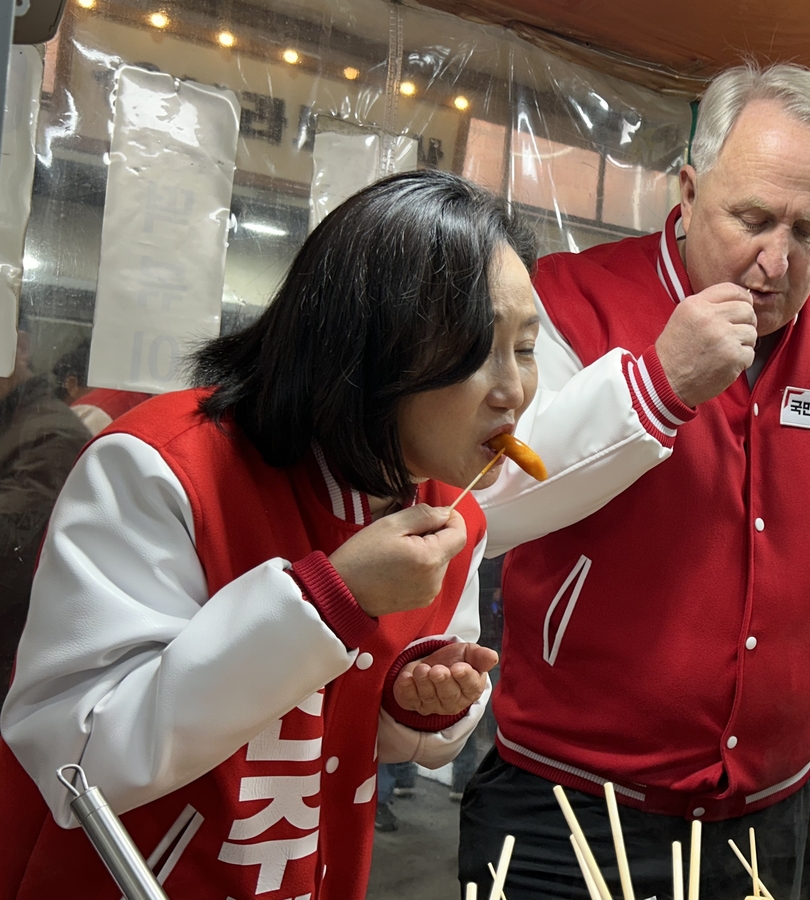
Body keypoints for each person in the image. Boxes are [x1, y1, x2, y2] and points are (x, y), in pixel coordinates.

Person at [0, 170, 539, 900]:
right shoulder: (166, 468)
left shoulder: (455, 514)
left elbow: (374, 735)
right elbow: (77, 756)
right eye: (478, 349)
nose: (511, 389)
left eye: (526, 347)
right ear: (369, 344)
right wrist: (329, 600)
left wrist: (420, 705)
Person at [460, 63, 810, 900]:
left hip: (772, 811)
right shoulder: (567, 302)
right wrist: (656, 386)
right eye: (751, 218)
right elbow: (486, 502)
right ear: (686, 187)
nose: (776, 261)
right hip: (565, 801)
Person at [0, 328, 91, 705]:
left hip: (14, 672)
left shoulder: (49, 433)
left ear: (18, 347)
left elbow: (10, 558)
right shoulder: (15, 421)